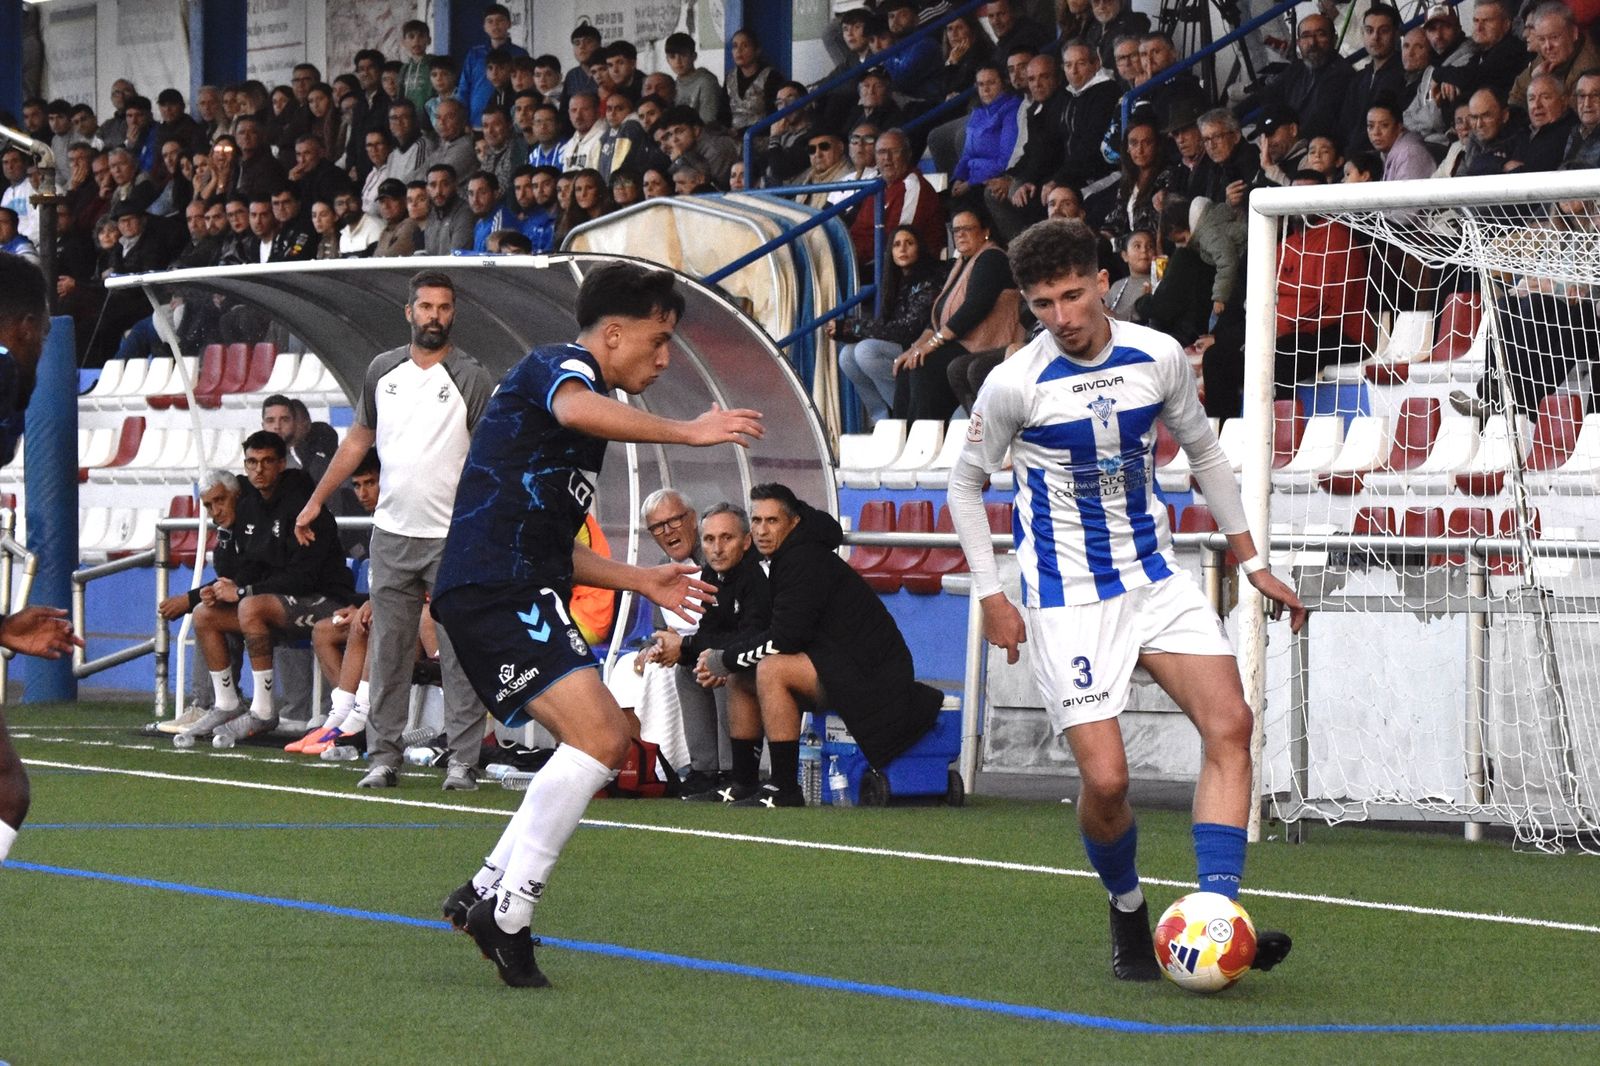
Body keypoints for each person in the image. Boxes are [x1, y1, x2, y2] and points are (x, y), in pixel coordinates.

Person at [944, 217, 1303, 982]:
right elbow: (964, 485)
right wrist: (991, 593)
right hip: (1067, 599)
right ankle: (1129, 908)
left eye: (1073, 295)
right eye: (1043, 304)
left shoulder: (1158, 354)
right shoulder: (1015, 384)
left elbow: (1205, 450)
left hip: (1154, 577)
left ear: (1103, 282)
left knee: (1231, 724)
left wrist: (1252, 561)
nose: (1062, 317)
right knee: (1107, 781)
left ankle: (1216, 917)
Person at [428, 262, 762, 986]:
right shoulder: (561, 367)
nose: (666, 358)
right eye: (659, 340)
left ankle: (486, 889)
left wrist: (640, 578)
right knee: (607, 737)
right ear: (613, 333)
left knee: (598, 740)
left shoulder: (574, 417)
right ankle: (509, 916)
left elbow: (550, 544)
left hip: (504, 584)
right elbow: (578, 408)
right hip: (497, 587)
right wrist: (692, 434)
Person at [294, 272, 496, 793]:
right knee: (387, 651)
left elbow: (490, 456)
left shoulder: (472, 376)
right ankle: (383, 758)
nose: (434, 315)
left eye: (444, 307)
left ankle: (463, 761)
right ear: (408, 312)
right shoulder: (382, 370)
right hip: (391, 534)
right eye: (425, 306)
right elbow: (357, 441)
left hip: (453, 535)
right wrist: (316, 501)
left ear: (453, 313)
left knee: (459, 651)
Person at [694, 483, 942, 808]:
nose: (763, 530)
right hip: (836, 664)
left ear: (793, 523)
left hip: (870, 674)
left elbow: (785, 638)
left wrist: (724, 659)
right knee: (744, 674)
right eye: (757, 521)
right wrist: (725, 659)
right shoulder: (779, 558)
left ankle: (784, 788)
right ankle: (743, 782)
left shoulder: (803, 559)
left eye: (772, 521)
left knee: (770, 667)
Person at [163, 438, 355, 742]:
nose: (259, 470)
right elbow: (250, 566)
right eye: (252, 463)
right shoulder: (252, 506)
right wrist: (226, 588)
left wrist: (242, 593)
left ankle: (264, 711)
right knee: (205, 614)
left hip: (326, 600)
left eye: (267, 462)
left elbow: (303, 577)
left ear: (281, 464)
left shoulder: (302, 505)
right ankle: (226, 703)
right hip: (280, 604)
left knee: (250, 606)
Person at [658, 501, 770, 799]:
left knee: (723, 668)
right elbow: (709, 632)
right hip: (734, 652)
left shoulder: (757, 576)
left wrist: (688, 646)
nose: (717, 548)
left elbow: (752, 636)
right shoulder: (710, 575)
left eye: (726, 538)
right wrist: (680, 652)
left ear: (746, 541)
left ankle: (733, 771)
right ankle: (704, 770)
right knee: (687, 671)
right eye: (709, 539)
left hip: (765, 660)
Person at [895, 206, 1022, 420]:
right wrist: (916, 347)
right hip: (961, 342)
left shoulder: (992, 258)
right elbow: (937, 317)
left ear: (985, 231)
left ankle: (927, 441)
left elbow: (974, 308)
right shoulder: (962, 263)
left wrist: (931, 345)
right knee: (907, 365)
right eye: (956, 231)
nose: (960, 234)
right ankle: (902, 440)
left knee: (925, 366)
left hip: (985, 344)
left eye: (967, 229)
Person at [831, 226, 948, 425]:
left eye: (909, 243)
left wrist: (852, 327)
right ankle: (882, 419)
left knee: (866, 351)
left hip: (924, 347)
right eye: (896, 245)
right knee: (847, 356)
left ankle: (904, 414)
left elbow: (907, 330)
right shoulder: (895, 281)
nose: (902, 249)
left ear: (919, 247)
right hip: (901, 346)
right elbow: (888, 326)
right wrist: (847, 330)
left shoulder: (930, 278)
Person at [847, 129, 944, 272]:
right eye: (881, 152)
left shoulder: (912, 186)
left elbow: (898, 242)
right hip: (862, 261)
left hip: (896, 270)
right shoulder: (877, 186)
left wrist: (851, 257)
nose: (887, 158)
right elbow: (859, 230)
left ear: (908, 155)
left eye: (895, 151)